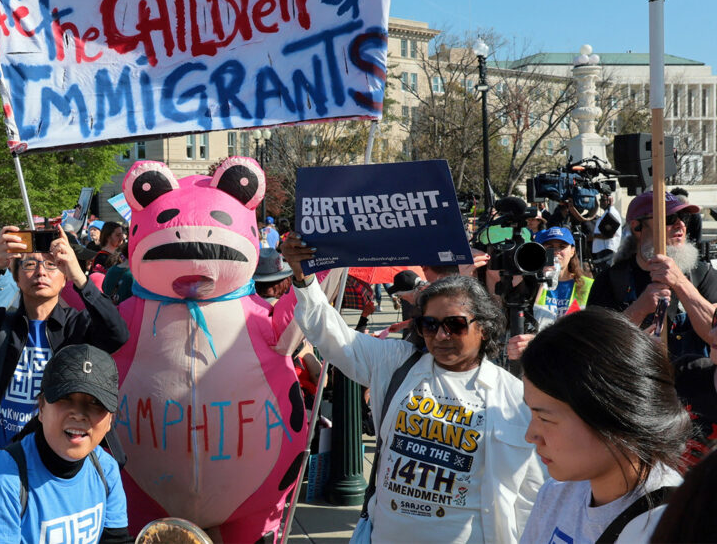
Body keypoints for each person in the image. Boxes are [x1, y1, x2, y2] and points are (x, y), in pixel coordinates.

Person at [281, 236, 545, 543]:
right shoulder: (397, 363)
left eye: (455, 325)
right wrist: (304, 278)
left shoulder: (514, 397)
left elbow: (532, 493)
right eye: (429, 324)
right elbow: (330, 333)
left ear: (483, 327)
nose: (441, 335)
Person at [0, 225, 128, 466]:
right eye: (30, 265)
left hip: (55, 463)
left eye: (52, 265)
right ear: (16, 276)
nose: (41, 272)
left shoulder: (77, 327)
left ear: (64, 278)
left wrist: (82, 280)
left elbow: (117, 334)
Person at [519, 308, 689, 544]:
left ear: (616, 414)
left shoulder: (674, 526)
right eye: (530, 413)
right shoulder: (555, 495)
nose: (531, 435)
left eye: (545, 418)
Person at [0, 344, 131, 543]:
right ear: (41, 407)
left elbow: (115, 539)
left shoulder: (106, 469)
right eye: (65, 398)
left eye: (95, 403)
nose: (78, 414)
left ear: (110, 418)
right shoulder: (2, 484)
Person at [587, 190, 715, 361]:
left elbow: (714, 334)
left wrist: (681, 283)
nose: (680, 225)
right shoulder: (611, 280)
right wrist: (638, 310)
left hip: (692, 385)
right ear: (637, 227)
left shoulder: (701, 273)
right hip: (637, 385)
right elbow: (595, 350)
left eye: (683, 217)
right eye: (669, 219)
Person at [506, 228, 593, 360]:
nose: (556, 252)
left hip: (574, 357)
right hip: (538, 358)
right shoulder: (530, 283)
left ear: (572, 251)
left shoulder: (588, 285)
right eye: (550, 247)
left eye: (562, 247)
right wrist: (542, 278)